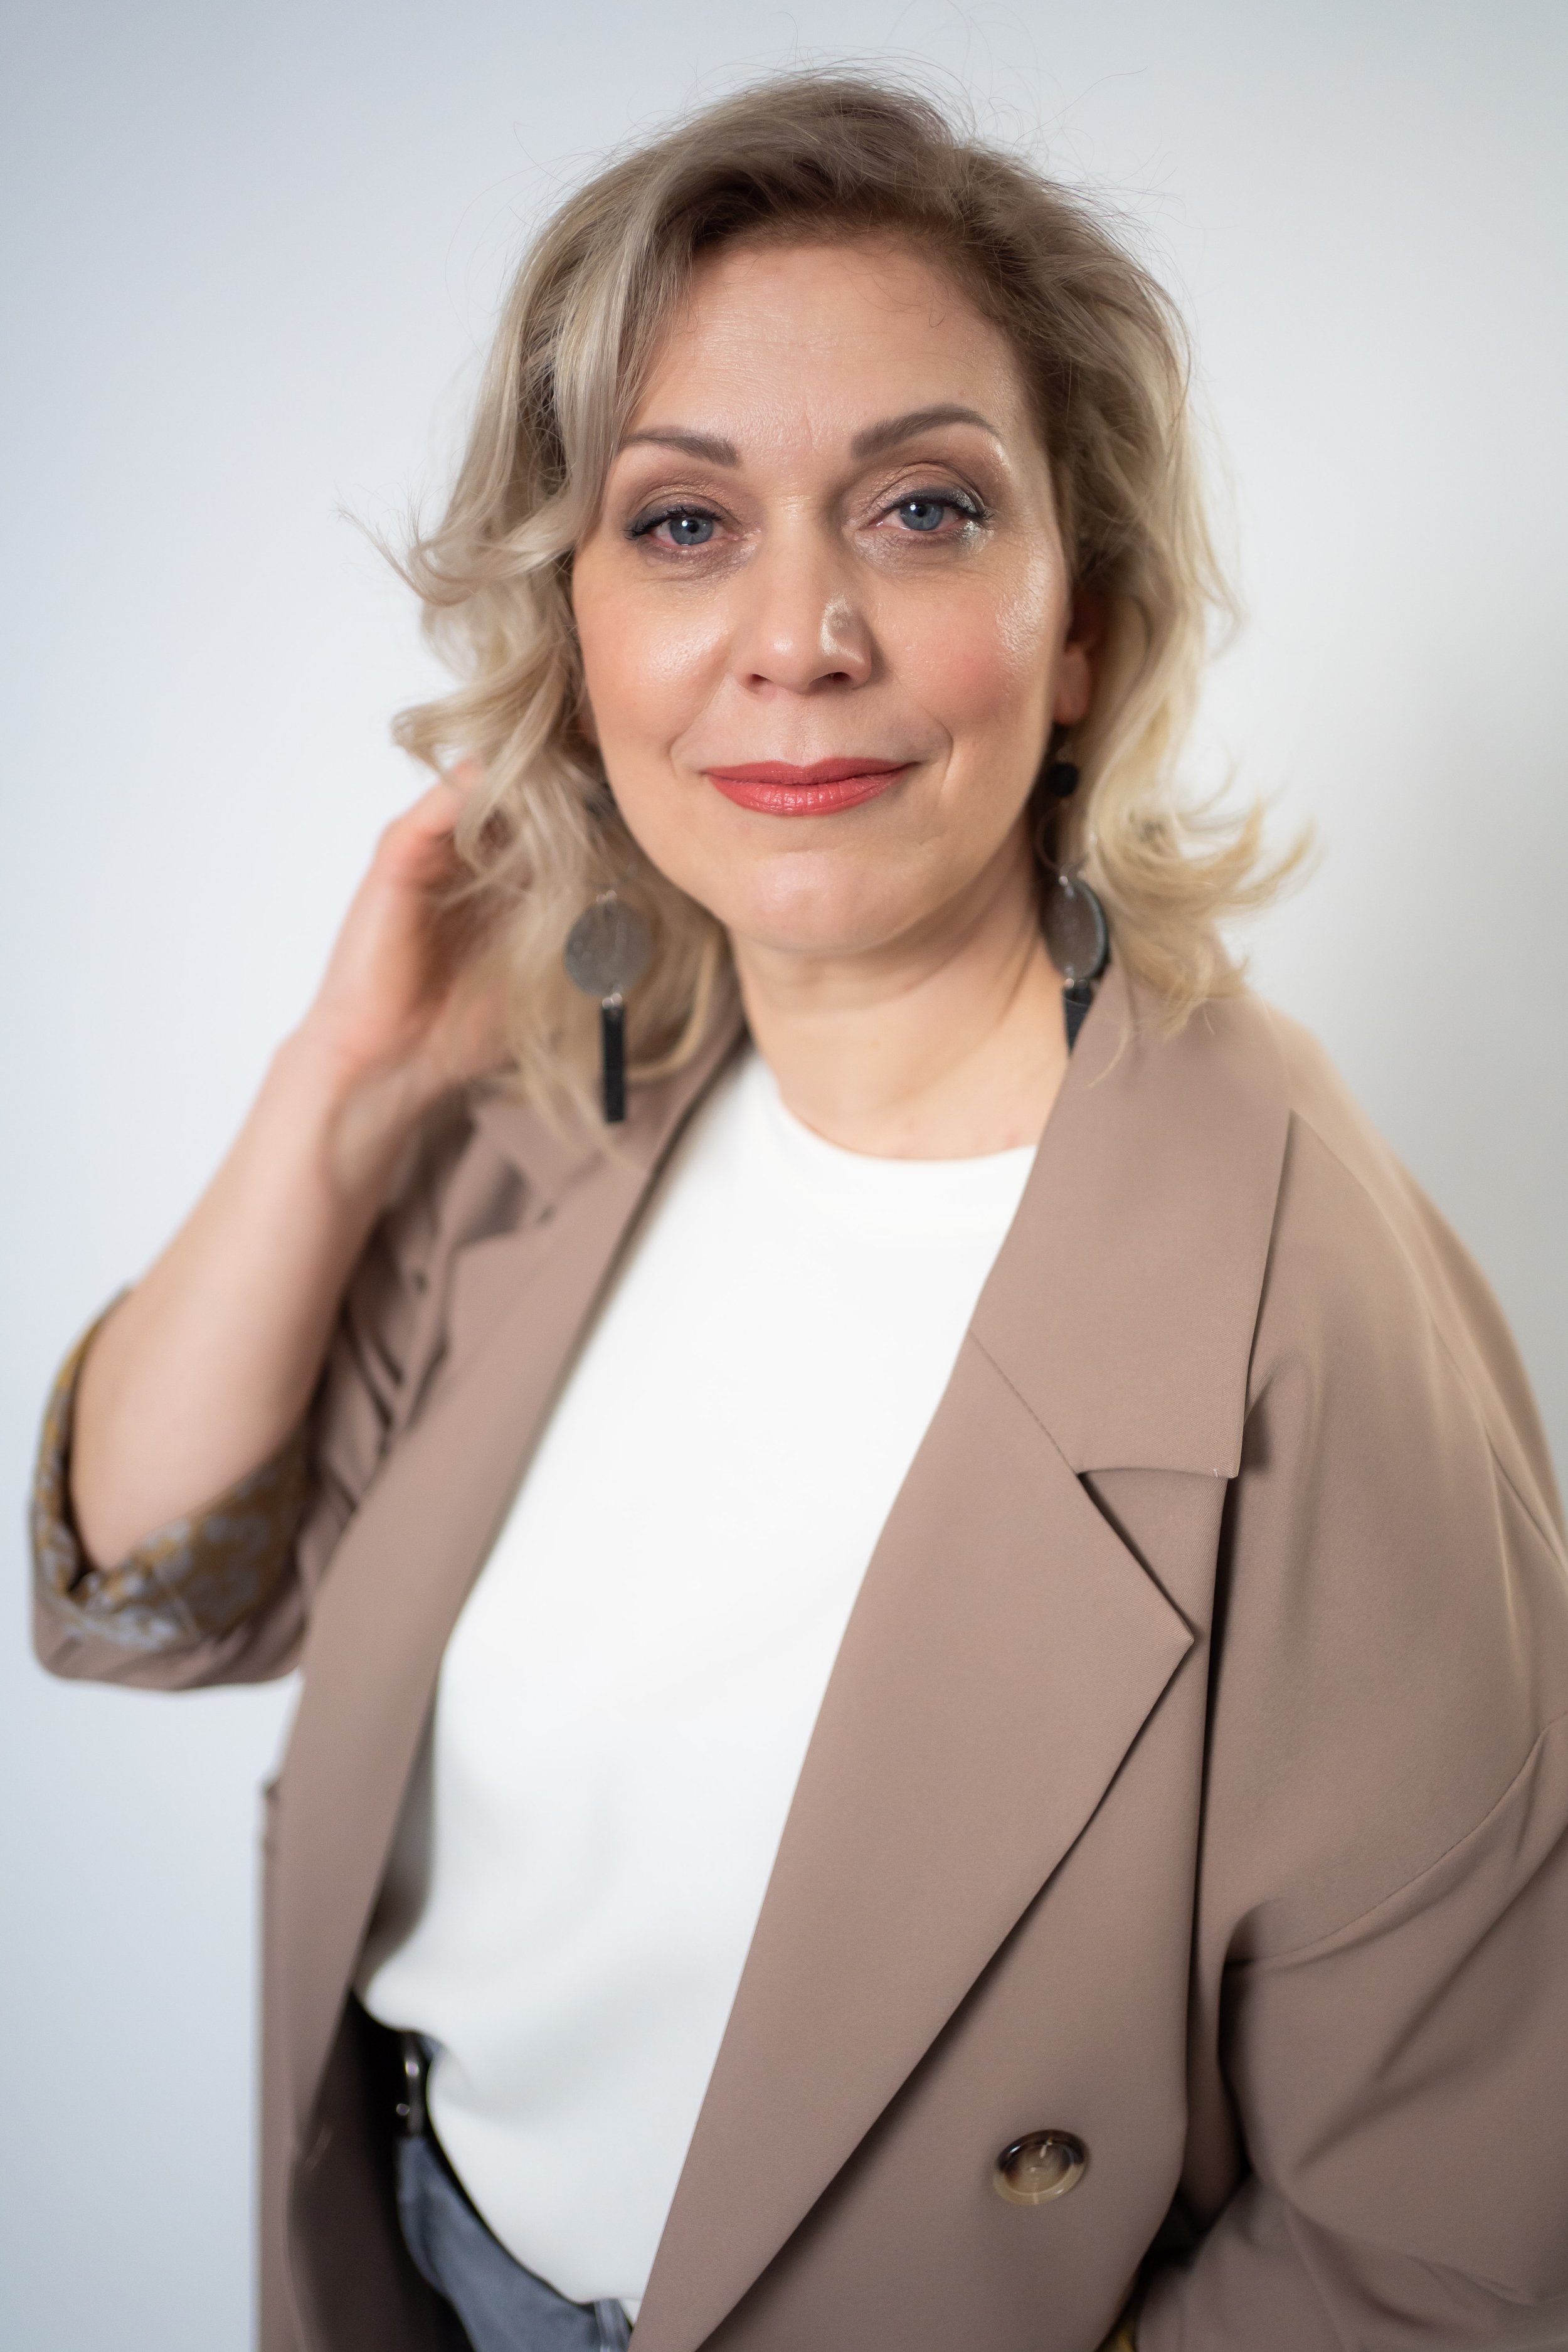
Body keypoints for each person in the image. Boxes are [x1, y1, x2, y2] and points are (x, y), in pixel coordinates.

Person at [29, 69, 1568, 2352]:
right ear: (573, 628)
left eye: (923, 511)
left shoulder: (1307, 1310)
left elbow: (1438, 2253)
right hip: (411, 2272)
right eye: (680, 524)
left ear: (1079, 626)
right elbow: (148, 1600)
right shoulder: (566, 1105)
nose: (798, 633)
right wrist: (341, 1085)